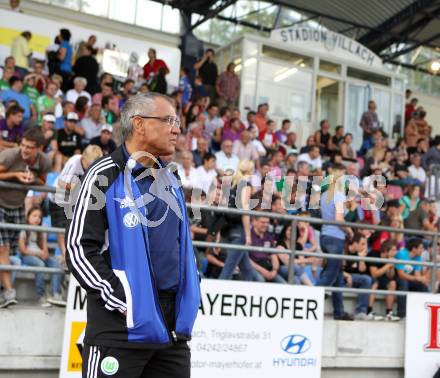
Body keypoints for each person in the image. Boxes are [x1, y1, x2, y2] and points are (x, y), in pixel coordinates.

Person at [66, 92, 200, 377]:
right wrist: (123, 299)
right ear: (139, 124)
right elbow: (79, 248)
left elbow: (180, 244)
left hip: (171, 334)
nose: (176, 129)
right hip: (119, 332)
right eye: (168, 120)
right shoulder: (104, 173)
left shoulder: (171, 177)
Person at [0, 127, 51, 308]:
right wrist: (15, 175)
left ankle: (4, 291)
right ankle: (9, 292)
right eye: (23, 145)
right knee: (3, 249)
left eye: (29, 147)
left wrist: (32, 179)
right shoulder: (10, 155)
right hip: (1, 204)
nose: (24, 149)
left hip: (17, 207)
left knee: (9, 252)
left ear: (39, 148)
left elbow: (43, 181)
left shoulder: (44, 161)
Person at [49, 144, 103, 261]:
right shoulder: (74, 161)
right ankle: (65, 256)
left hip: (74, 200)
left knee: (74, 228)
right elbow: (61, 183)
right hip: (58, 197)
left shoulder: (95, 169)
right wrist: (78, 187)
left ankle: (73, 255)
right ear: (83, 158)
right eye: (89, 164)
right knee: (60, 228)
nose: (90, 168)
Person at [316, 163, 354, 320]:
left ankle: (339, 312)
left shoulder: (325, 195)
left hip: (325, 236)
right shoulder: (338, 195)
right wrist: (349, 230)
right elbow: (339, 219)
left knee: (338, 276)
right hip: (335, 238)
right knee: (331, 275)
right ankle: (309, 299)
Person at [218, 160, 258, 281]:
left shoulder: (231, 184)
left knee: (246, 269)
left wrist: (219, 233)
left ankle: (250, 293)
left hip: (227, 228)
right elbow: (245, 210)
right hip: (239, 231)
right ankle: (214, 294)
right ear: (250, 171)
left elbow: (222, 208)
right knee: (228, 270)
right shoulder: (245, 185)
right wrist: (248, 235)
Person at [18, 206, 65, 307]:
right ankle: (41, 296)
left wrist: (44, 253)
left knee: (56, 264)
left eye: (39, 217)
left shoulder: (41, 229)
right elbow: (23, 250)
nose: (37, 219)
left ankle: (55, 294)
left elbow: (45, 251)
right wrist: (38, 254)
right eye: (34, 216)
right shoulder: (24, 229)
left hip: (39, 255)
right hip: (27, 256)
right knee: (40, 264)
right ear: (28, 217)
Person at [396, 238, 429, 318]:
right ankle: (402, 314)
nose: (423, 250)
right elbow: (401, 274)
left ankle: (423, 313)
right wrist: (417, 278)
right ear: (414, 249)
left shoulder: (418, 257)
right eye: (421, 248)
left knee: (422, 286)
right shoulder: (402, 254)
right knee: (404, 284)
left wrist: (421, 279)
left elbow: (417, 274)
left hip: (409, 278)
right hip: (397, 277)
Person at [367, 241, 400, 321]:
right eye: (393, 250)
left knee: (392, 283)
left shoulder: (390, 259)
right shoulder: (374, 254)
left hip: (382, 279)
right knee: (375, 283)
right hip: (370, 278)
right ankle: (369, 312)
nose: (395, 252)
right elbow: (374, 274)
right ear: (386, 250)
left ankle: (389, 313)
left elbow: (391, 276)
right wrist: (388, 265)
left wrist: (391, 266)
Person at [344, 233, 373, 320]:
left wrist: (361, 258)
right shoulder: (344, 250)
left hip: (351, 279)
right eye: (362, 244)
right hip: (340, 277)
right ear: (355, 243)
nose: (364, 247)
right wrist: (347, 275)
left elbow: (362, 270)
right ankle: (359, 311)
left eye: (365, 244)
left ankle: (360, 311)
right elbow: (335, 269)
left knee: (367, 279)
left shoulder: (358, 254)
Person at [249, 216, 283, 283]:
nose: (265, 225)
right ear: (254, 222)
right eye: (263, 222)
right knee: (260, 280)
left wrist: (274, 270)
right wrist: (263, 271)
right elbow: (246, 259)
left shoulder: (268, 236)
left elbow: (274, 256)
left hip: (267, 267)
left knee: (283, 284)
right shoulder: (248, 235)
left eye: (267, 222)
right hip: (253, 267)